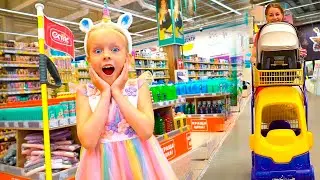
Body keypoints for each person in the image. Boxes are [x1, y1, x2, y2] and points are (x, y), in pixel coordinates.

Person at [75, 1, 178, 179]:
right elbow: (88, 141)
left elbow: (146, 131)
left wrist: (117, 93)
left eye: (115, 49)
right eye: (98, 51)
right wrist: (105, 94)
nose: (106, 55)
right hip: (99, 169)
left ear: (128, 58)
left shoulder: (139, 86)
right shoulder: (84, 92)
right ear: (88, 60)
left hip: (140, 166)